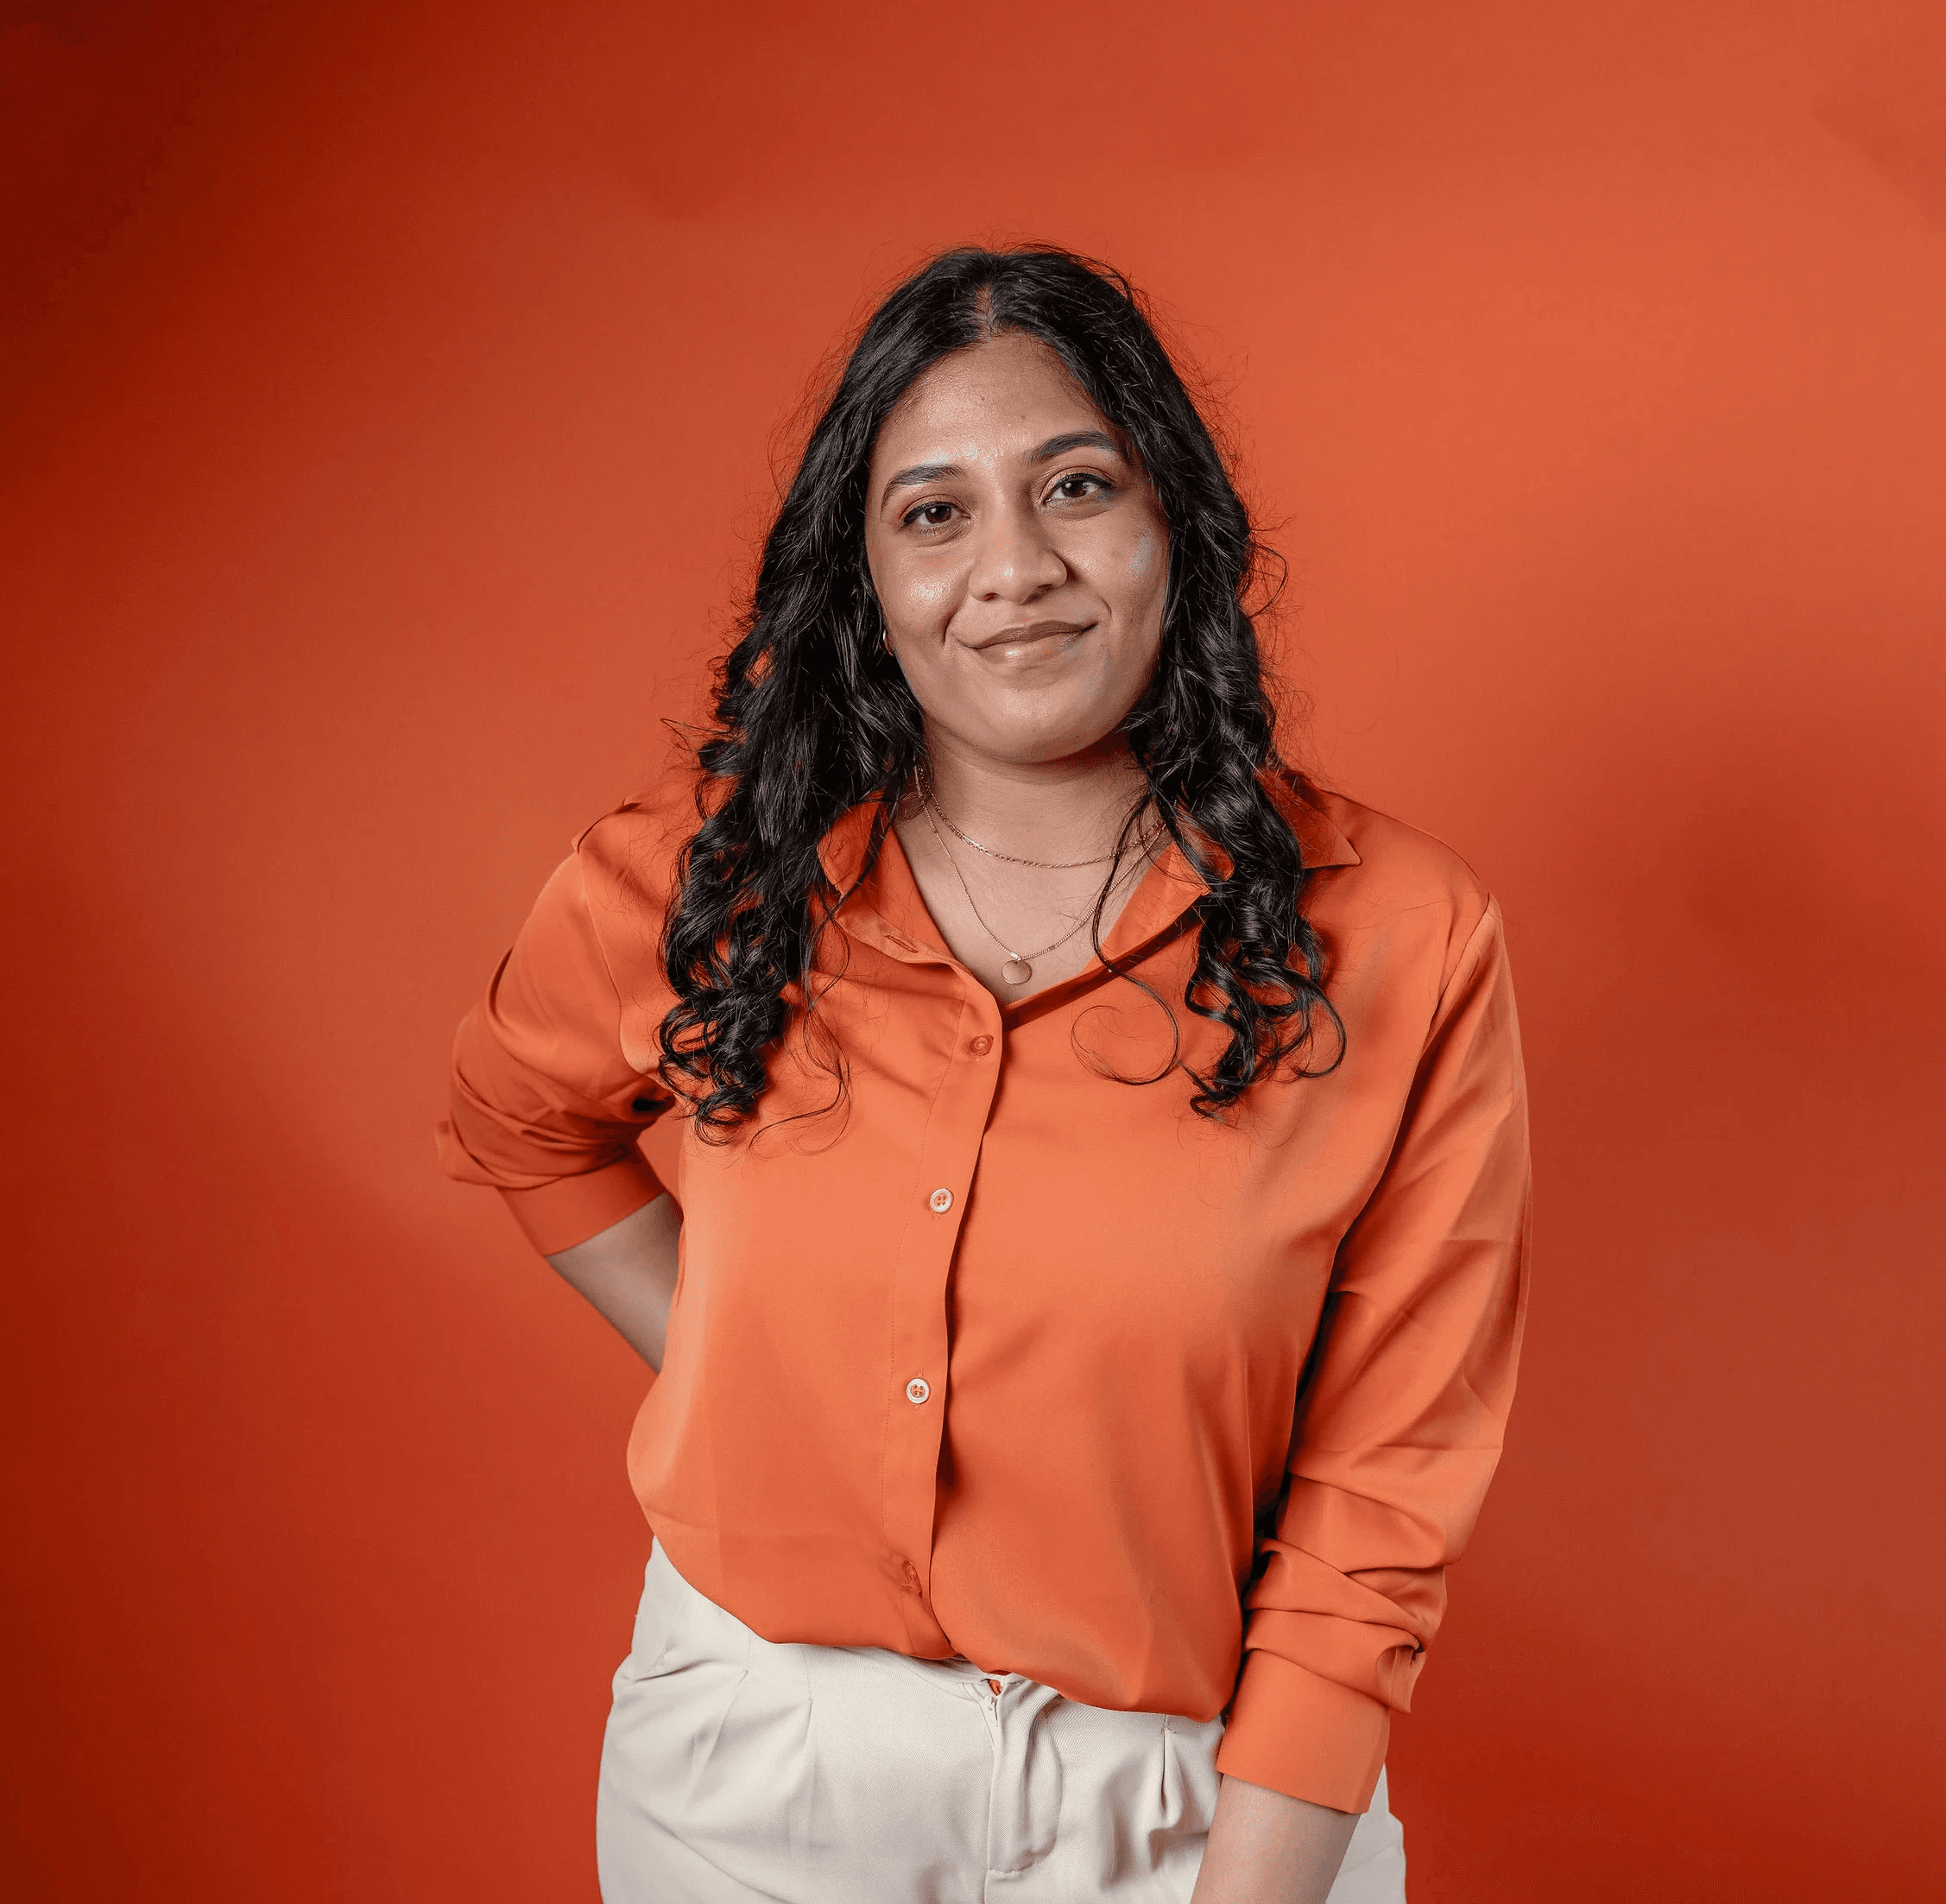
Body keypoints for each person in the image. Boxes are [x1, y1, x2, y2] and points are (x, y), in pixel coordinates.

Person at [438, 245, 1531, 1904]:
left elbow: (1383, 1488)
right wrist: (740, 1377)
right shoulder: (711, 880)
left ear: (1177, 526)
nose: (1012, 568)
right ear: (864, 580)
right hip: (747, 1788)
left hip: (1187, 1809)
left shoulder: (1399, 938)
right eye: (934, 512)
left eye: (1074, 486)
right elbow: (516, 1116)